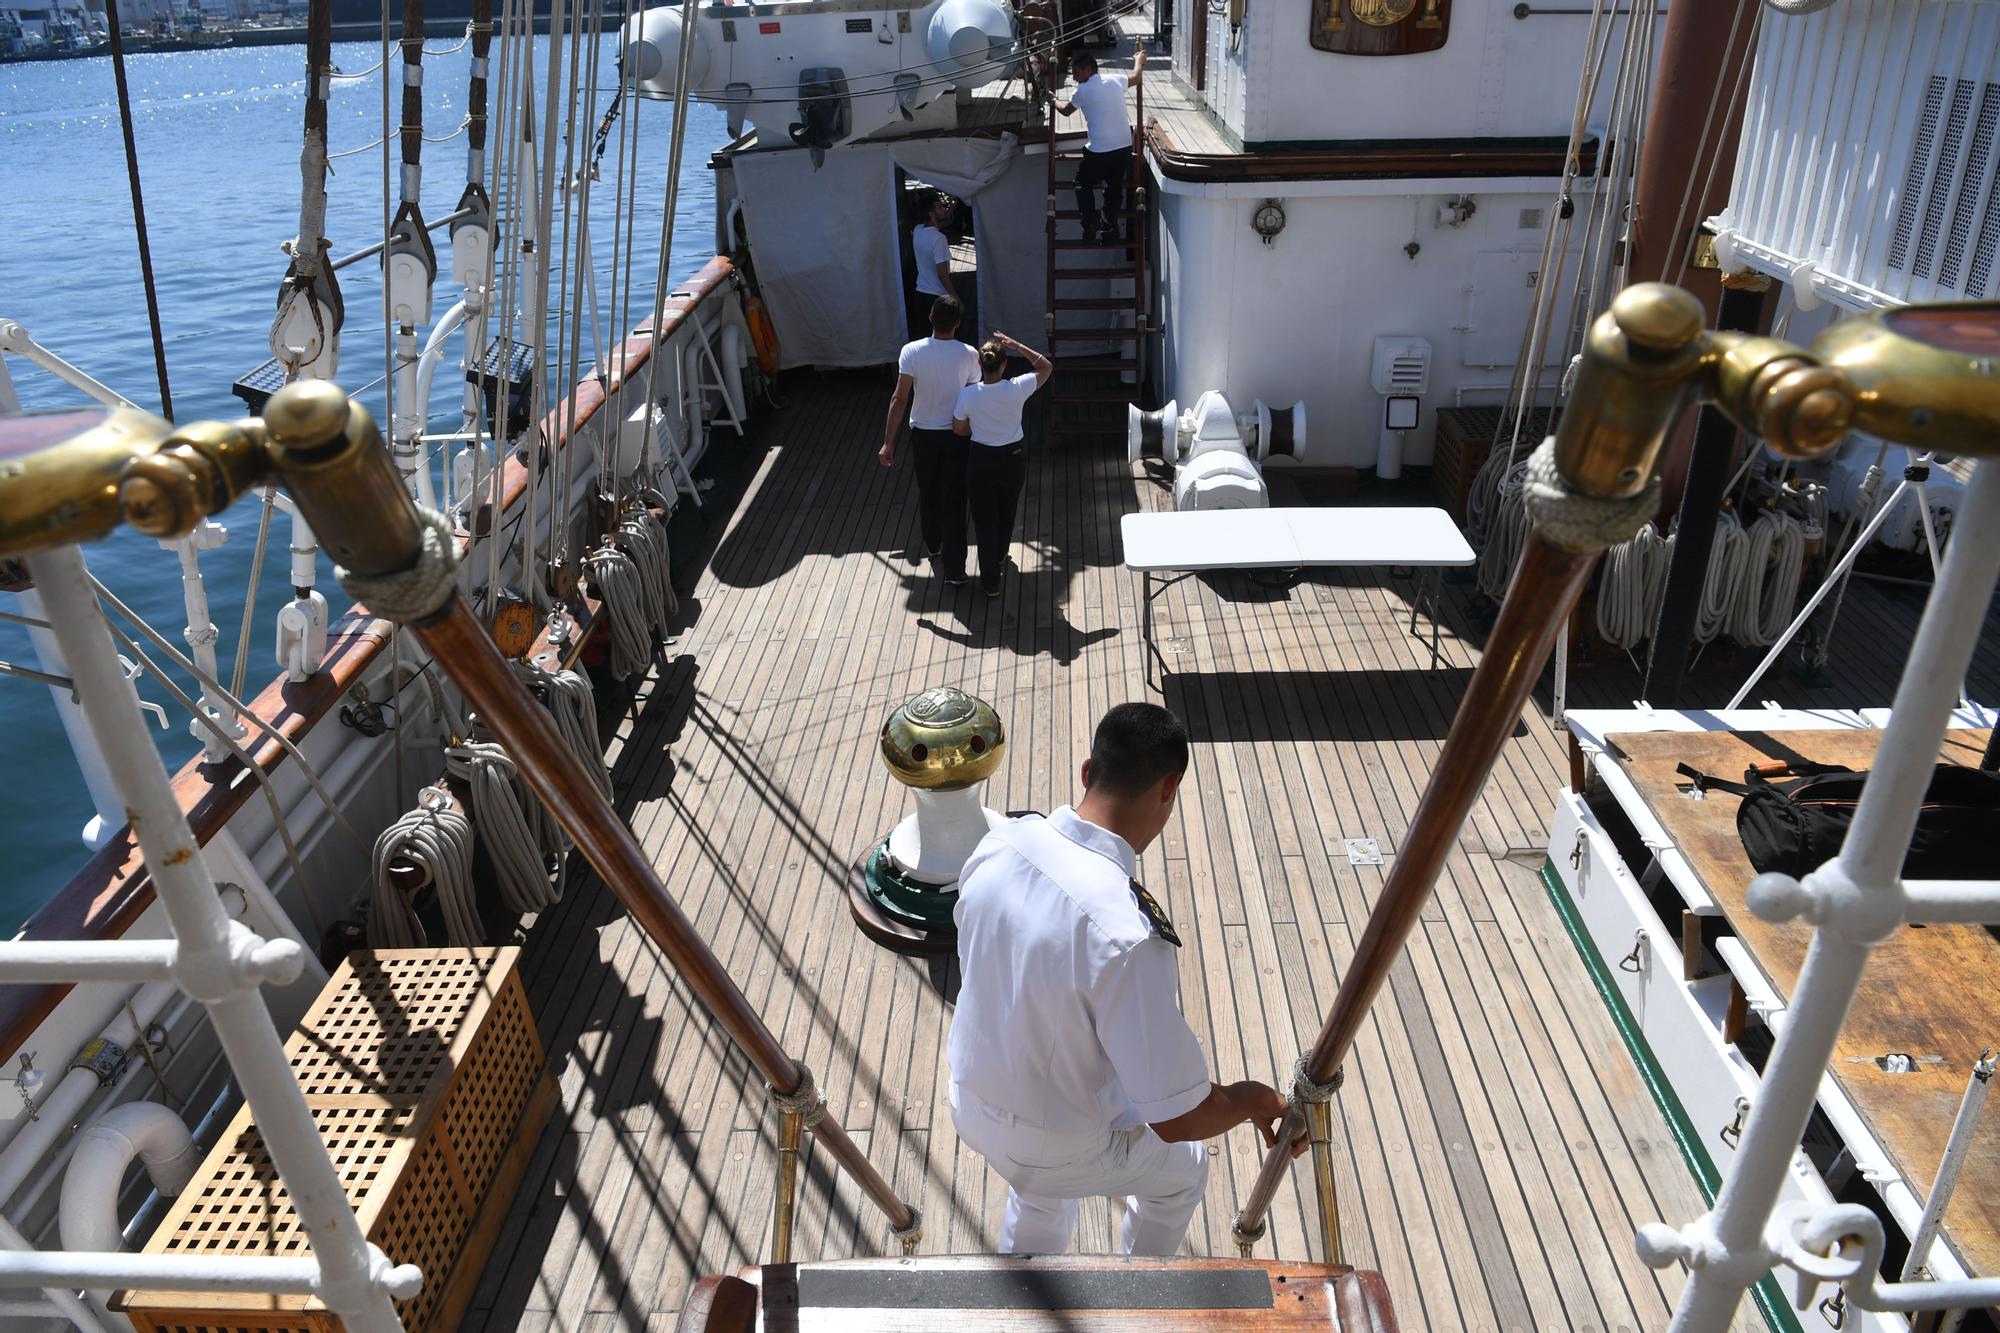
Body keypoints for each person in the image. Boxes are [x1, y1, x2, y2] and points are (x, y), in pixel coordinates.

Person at [947, 702, 1303, 1257]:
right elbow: (1180, 1117)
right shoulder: (1124, 934)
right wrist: (1254, 1098)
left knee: (1040, 1183)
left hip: (971, 1103)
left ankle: (1024, 1281)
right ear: (1169, 788)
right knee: (1182, 1171)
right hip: (1054, 1142)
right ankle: (1136, 1297)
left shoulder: (999, 844)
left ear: (1088, 771)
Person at [880, 296, 981, 583]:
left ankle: (933, 544)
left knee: (929, 492)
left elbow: (899, 399)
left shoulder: (911, 352)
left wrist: (889, 442)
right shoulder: (969, 354)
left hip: (923, 436)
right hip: (957, 435)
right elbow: (975, 398)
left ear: (930, 318)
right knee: (955, 499)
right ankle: (956, 570)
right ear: (958, 324)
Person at [952, 331, 1051, 597]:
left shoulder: (968, 396)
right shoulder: (1017, 387)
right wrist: (1018, 344)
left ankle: (990, 582)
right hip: (1013, 458)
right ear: (1004, 364)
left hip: (981, 459)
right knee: (1007, 512)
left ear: (980, 366)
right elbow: (1045, 367)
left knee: (985, 522)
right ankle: (999, 557)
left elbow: (959, 429)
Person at [1055, 48, 1144, 244]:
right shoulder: (1115, 80)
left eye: (1077, 73)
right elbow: (1137, 77)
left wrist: (1053, 100)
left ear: (1088, 70)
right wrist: (1139, 60)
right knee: (1113, 189)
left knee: (1082, 183)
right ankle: (1109, 230)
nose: (1075, 79)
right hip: (1124, 148)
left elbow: (1065, 111)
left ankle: (1090, 222)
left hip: (1101, 152)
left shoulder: (1083, 91)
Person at [908, 190, 959, 341]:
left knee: (925, 342)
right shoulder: (939, 239)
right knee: (941, 341)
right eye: (940, 207)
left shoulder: (918, 231)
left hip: (920, 293)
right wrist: (956, 298)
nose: (944, 209)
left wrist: (952, 208)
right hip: (937, 298)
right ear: (931, 214)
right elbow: (942, 275)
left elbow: (939, 223)